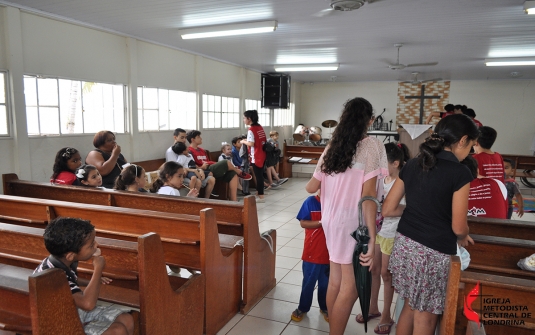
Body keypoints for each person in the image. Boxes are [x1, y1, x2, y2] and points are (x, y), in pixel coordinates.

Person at [382, 114, 478, 335]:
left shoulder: (414, 163)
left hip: (405, 247)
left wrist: (415, 210)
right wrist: (464, 236)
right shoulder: (459, 172)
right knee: (425, 318)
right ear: (462, 140)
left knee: (409, 305)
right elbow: (458, 226)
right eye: (470, 146)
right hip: (431, 254)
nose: (469, 153)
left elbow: (387, 209)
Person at [305, 97, 388, 335]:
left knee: (336, 281)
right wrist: (372, 239)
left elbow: (311, 187)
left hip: (330, 220)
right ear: (369, 120)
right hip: (353, 222)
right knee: (351, 289)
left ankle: (334, 329)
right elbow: (369, 196)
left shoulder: (333, 146)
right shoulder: (372, 145)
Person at [34, 217, 134, 335]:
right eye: (91, 245)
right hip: (60, 324)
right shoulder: (55, 276)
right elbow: (88, 304)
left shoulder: (57, 261)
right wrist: (98, 269)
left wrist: (90, 282)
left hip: (70, 310)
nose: (96, 245)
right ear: (71, 255)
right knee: (118, 331)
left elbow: (70, 281)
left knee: (126, 319)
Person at [357, 142, 409, 334]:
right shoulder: (381, 178)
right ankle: (373, 308)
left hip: (393, 234)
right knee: (374, 270)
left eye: (383, 163)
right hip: (378, 232)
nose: (380, 167)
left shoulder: (404, 182)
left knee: (387, 275)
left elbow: (406, 209)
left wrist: (390, 210)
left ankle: (387, 315)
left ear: (396, 163)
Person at [290, 190, 330, 324]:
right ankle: (303, 308)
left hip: (330, 254)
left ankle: (325, 307)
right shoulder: (310, 202)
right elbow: (303, 222)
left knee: (326, 284)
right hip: (311, 253)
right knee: (308, 283)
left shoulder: (335, 203)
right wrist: (321, 222)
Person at [187, 130, 249, 201]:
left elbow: (208, 161)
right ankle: (239, 172)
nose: (201, 138)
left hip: (211, 167)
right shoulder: (189, 151)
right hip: (204, 170)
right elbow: (192, 165)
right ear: (192, 139)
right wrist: (201, 167)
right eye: (198, 137)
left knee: (233, 174)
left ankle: (233, 200)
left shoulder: (202, 150)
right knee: (225, 161)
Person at [241, 110, 269, 203]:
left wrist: (243, 141)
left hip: (256, 155)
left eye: (244, 118)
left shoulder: (251, 129)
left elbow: (252, 143)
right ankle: (258, 192)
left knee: (258, 176)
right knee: (260, 174)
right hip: (263, 153)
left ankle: (261, 196)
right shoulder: (259, 127)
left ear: (249, 119)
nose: (243, 120)